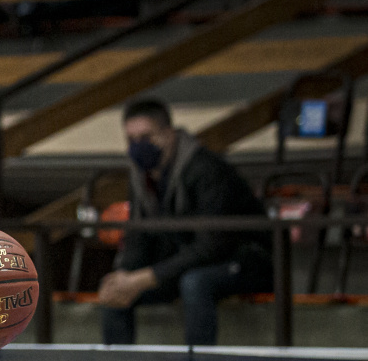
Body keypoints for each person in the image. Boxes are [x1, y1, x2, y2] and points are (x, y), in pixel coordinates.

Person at [100, 97, 272, 346]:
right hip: (187, 263)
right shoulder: (140, 177)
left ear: (169, 134)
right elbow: (138, 237)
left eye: (146, 137)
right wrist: (124, 275)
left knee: (194, 283)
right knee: (114, 290)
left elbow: (212, 246)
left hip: (245, 260)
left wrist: (147, 276)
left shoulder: (207, 170)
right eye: (132, 140)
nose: (139, 146)